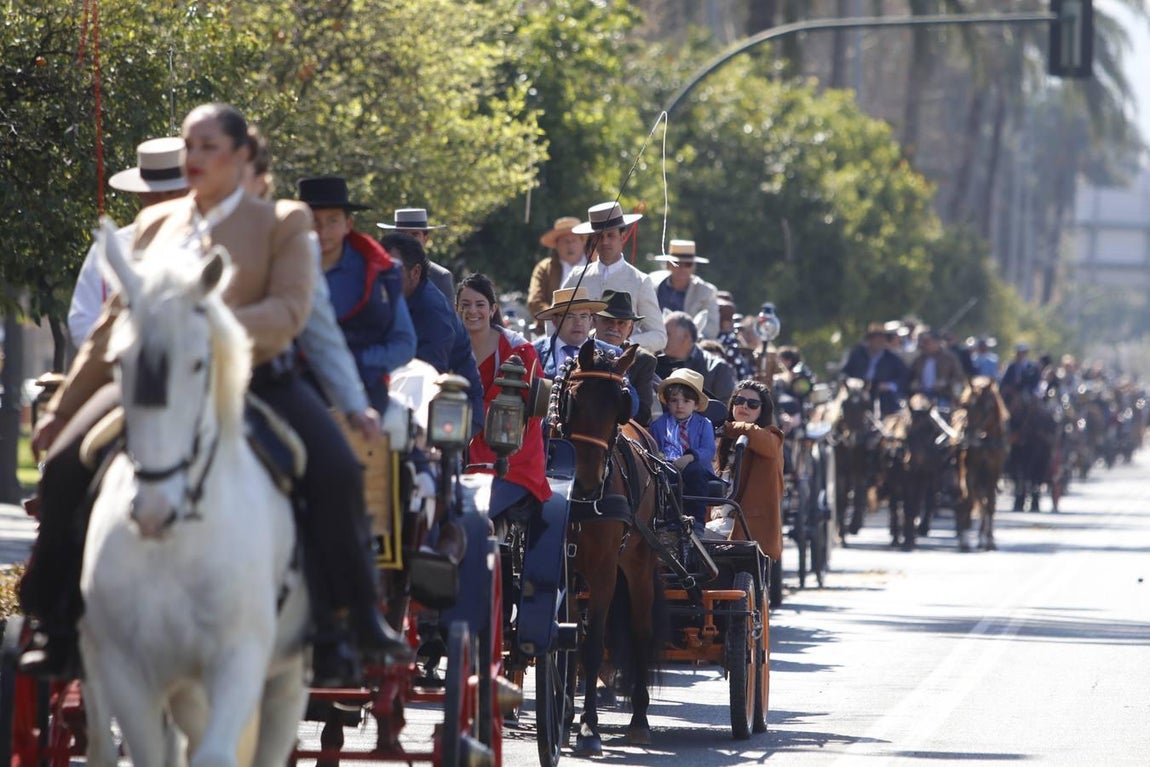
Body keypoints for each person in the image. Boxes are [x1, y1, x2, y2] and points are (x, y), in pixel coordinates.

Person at [20, 103, 407, 684]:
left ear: (242, 156)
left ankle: (342, 626)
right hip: (157, 382)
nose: (194, 158)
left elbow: (291, 311)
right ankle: (57, 621)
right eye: (188, 146)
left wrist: (206, 329)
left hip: (259, 382)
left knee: (336, 470)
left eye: (208, 147)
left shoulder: (284, 223)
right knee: (64, 467)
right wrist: (61, 409)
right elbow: (111, 326)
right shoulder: (156, 225)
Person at [244, 128, 381, 442]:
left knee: (341, 474)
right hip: (171, 381)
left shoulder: (284, 234)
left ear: (260, 180)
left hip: (265, 385)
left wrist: (354, 405)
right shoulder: (167, 226)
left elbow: (320, 335)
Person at [298, 175, 416, 412]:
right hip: (297, 388)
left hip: (366, 388)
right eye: (314, 221)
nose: (322, 231)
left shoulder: (381, 274)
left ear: (348, 224)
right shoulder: (279, 270)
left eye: (332, 221)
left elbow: (404, 344)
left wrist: (356, 361)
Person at [68, 137, 190, 344]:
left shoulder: (211, 239)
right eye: (153, 195)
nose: (162, 202)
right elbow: (82, 322)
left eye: (171, 193)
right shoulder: (111, 246)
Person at [456, 273, 551, 509]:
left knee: (471, 514)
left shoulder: (520, 351)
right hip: (453, 452)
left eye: (480, 305)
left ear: (492, 309)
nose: (472, 311)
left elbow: (536, 410)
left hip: (511, 462)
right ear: (456, 309)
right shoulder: (449, 347)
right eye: (465, 305)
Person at [380, 231, 484, 435]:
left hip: (452, 409)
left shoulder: (433, 312)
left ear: (415, 273)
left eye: (393, 269)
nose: (383, 275)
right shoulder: (382, 296)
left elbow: (426, 378)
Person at [562, 201, 666, 353]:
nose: (604, 242)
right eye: (599, 236)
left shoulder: (640, 281)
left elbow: (659, 336)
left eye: (610, 235)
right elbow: (556, 319)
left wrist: (622, 343)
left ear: (622, 237)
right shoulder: (577, 277)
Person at [714, 379, 784, 562]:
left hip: (746, 528)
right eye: (738, 401)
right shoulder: (722, 440)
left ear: (762, 411)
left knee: (690, 540)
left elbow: (753, 433)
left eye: (752, 404)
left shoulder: (771, 438)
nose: (744, 406)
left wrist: (727, 426)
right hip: (718, 521)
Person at [649, 369, 718, 533]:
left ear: (695, 404)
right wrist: (663, 459)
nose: (679, 405)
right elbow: (654, 448)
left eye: (686, 401)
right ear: (667, 402)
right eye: (674, 400)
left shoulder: (704, 423)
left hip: (696, 467)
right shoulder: (658, 425)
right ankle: (669, 519)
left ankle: (698, 522)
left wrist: (689, 457)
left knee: (695, 473)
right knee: (661, 476)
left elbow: (708, 451)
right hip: (667, 465)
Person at [593, 290, 658, 426]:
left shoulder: (643, 360)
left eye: (621, 323)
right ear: (594, 320)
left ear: (630, 329)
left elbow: (643, 413)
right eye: (608, 320)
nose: (614, 327)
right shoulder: (578, 349)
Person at [657, 311, 737, 403]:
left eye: (667, 334)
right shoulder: (655, 364)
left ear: (686, 337)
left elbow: (722, 410)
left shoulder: (717, 369)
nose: (662, 338)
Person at [647, 239, 720, 339]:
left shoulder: (707, 292)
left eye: (688, 264)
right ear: (668, 265)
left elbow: (712, 327)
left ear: (694, 267)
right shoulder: (652, 283)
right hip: (654, 339)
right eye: (676, 263)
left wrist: (692, 338)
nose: (682, 268)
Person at [377, 207, 455, 300]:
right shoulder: (383, 272)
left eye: (415, 234)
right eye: (402, 234)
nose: (408, 240)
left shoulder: (441, 277)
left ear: (425, 239)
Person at [528, 216, 587, 336]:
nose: (570, 245)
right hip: (551, 332)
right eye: (565, 241)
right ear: (556, 244)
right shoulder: (544, 268)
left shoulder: (595, 266)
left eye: (574, 240)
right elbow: (534, 302)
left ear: (582, 241)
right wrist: (557, 319)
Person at [840, 323, 908, 417]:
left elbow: (903, 378)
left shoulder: (893, 359)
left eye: (882, 338)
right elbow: (845, 372)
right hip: (858, 392)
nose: (879, 341)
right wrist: (849, 381)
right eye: (875, 338)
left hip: (883, 395)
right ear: (869, 339)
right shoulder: (858, 355)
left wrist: (890, 385)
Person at [907, 330, 966, 408]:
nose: (924, 345)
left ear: (937, 342)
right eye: (924, 342)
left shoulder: (949, 358)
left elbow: (959, 378)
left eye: (928, 342)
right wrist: (915, 383)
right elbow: (911, 376)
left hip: (943, 395)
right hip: (922, 395)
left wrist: (945, 383)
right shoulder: (919, 359)